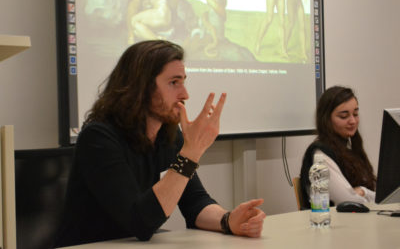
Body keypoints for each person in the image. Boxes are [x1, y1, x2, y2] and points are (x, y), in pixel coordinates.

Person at [54, 40, 266, 247]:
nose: (185, 94)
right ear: (141, 86)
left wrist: (227, 221)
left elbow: (195, 203)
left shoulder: (168, 136)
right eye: (174, 82)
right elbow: (139, 222)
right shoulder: (98, 138)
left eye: (183, 81)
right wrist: (189, 155)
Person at [300, 86, 376, 208]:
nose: (352, 121)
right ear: (326, 119)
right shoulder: (321, 154)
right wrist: (365, 193)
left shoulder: (350, 148)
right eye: (344, 116)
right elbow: (348, 201)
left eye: (355, 114)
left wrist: (363, 191)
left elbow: (379, 196)